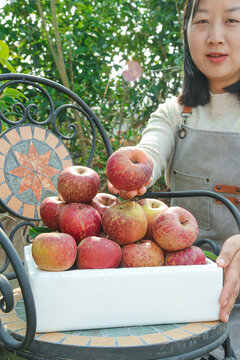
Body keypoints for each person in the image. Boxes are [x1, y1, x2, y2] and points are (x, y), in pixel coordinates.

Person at [108, 0, 240, 357]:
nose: (215, 37)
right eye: (201, 22)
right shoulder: (175, 112)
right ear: (186, 31)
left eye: (232, 20)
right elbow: (150, 148)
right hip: (179, 295)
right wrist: (135, 170)